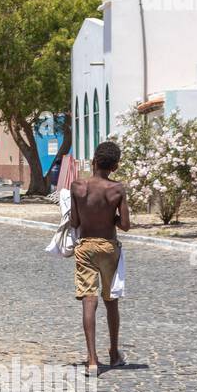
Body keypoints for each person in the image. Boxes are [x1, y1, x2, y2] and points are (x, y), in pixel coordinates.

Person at [69, 141, 130, 376]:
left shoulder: (77, 187)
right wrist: (110, 219)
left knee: (88, 300)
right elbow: (125, 225)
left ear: (93, 161)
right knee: (111, 300)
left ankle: (92, 360)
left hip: (85, 247)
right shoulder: (117, 189)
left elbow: (75, 222)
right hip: (108, 247)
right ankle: (114, 354)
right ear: (115, 166)